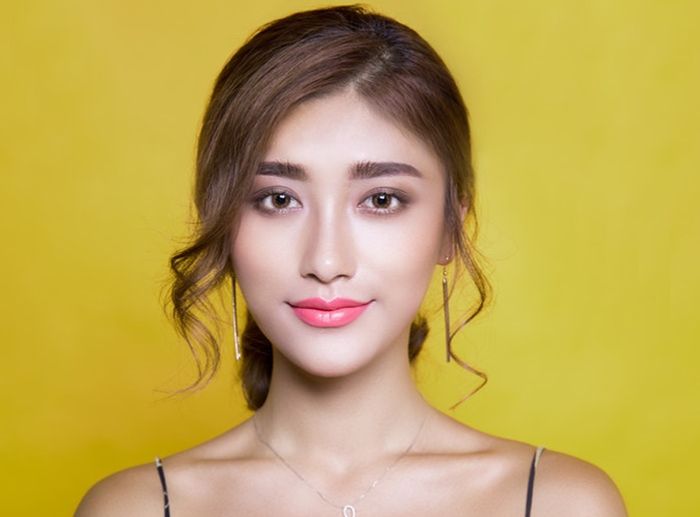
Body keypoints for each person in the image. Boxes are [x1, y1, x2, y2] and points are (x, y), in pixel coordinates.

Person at [76, 5, 627, 516]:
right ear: (221, 220)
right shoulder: (138, 508)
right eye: (278, 199)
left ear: (449, 227)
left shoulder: (558, 502)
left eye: (381, 200)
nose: (326, 259)